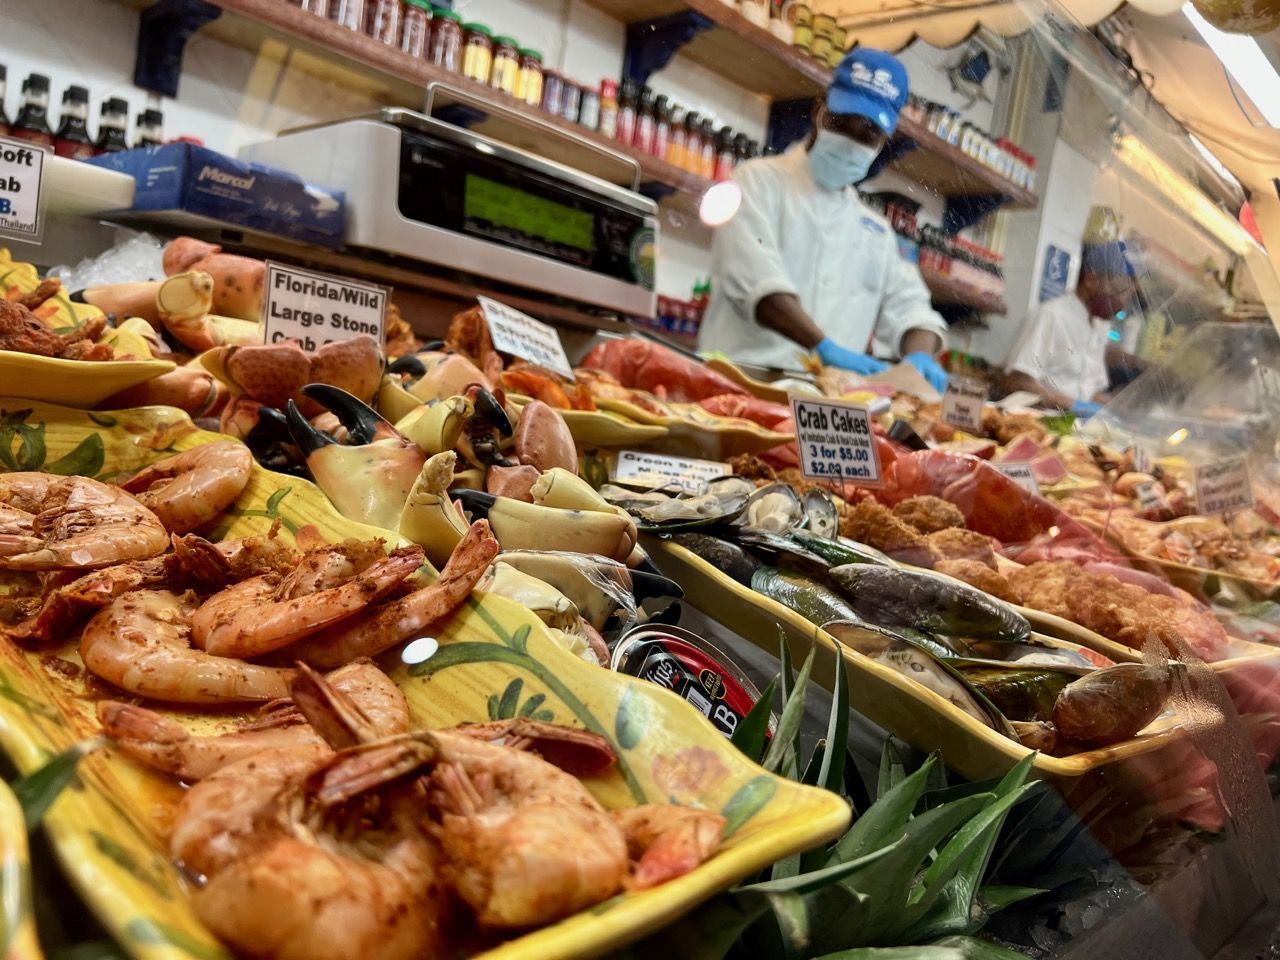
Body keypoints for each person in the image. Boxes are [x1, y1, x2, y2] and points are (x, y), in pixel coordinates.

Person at [698, 48, 949, 393]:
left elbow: (911, 309)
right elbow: (759, 286)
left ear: (884, 141)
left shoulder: (875, 232)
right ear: (819, 109)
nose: (850, 141)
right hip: (740, 386)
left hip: (829, 410)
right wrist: (825, 348)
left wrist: (920, 355)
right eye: (841, 123)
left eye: (868, 134)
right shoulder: (754, 182)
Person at [1003, 242, 1139, 417]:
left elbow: (1087, 390)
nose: (1122, 303)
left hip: (1073, 430)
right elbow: (1018, 381)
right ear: (1091, 279)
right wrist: (1073, 406)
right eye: (1118, 291)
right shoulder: (1052, 315)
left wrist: (1120, 413)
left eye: (1127, 295)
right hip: (1037, 421)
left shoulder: (1098, 327)